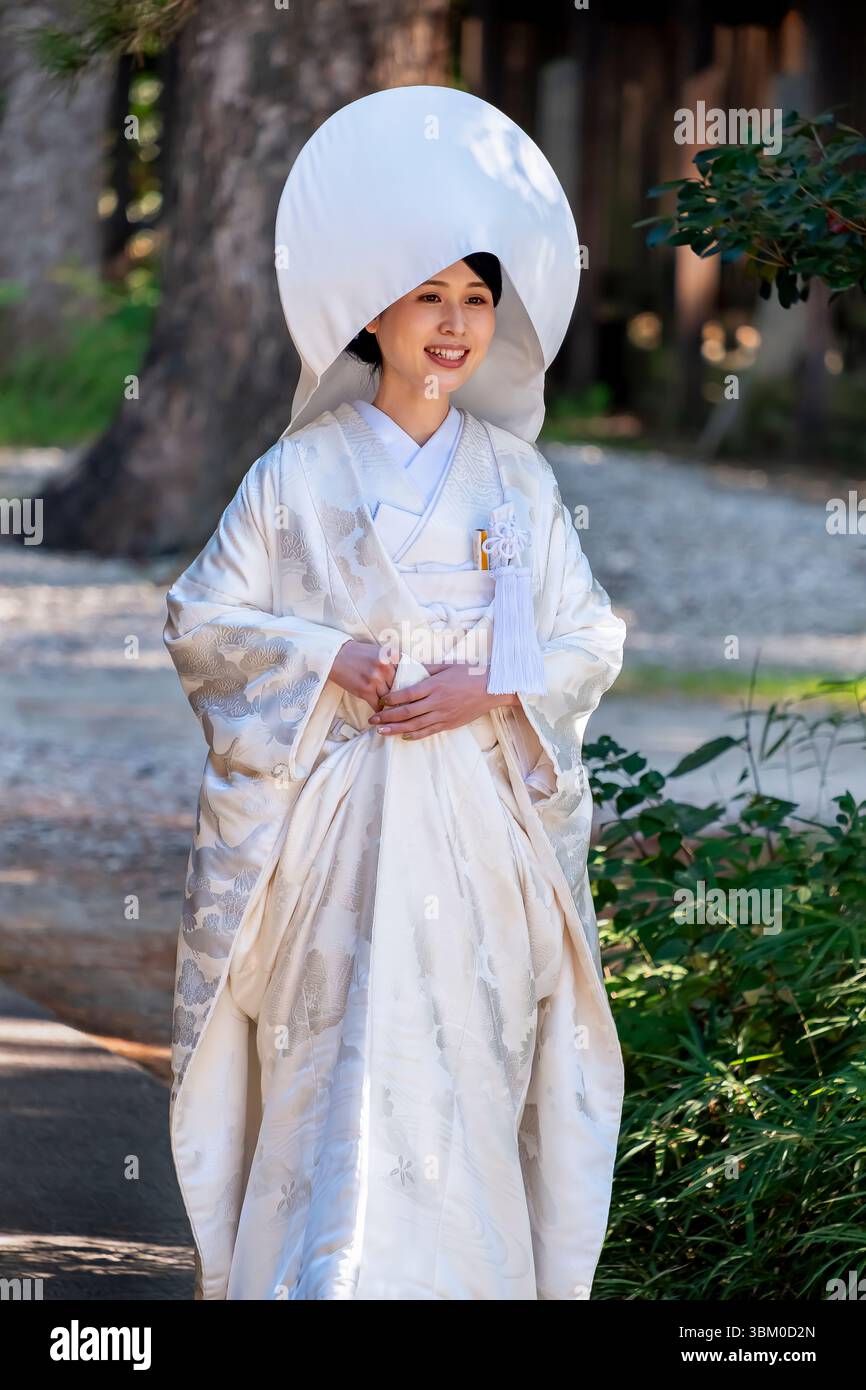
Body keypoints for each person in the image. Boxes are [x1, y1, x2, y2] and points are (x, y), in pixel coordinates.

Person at [164, 85, 627, 1301]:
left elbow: (589, 634)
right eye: (430, 294)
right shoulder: (297, 473)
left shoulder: (513, 480)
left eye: (475, 299)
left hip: (478, 837)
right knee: (336, 1058)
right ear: (372, 307)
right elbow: (200, 617)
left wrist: (495, 680)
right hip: (338, 829)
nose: (455, 323)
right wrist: (326, 658)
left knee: (465, 1061)